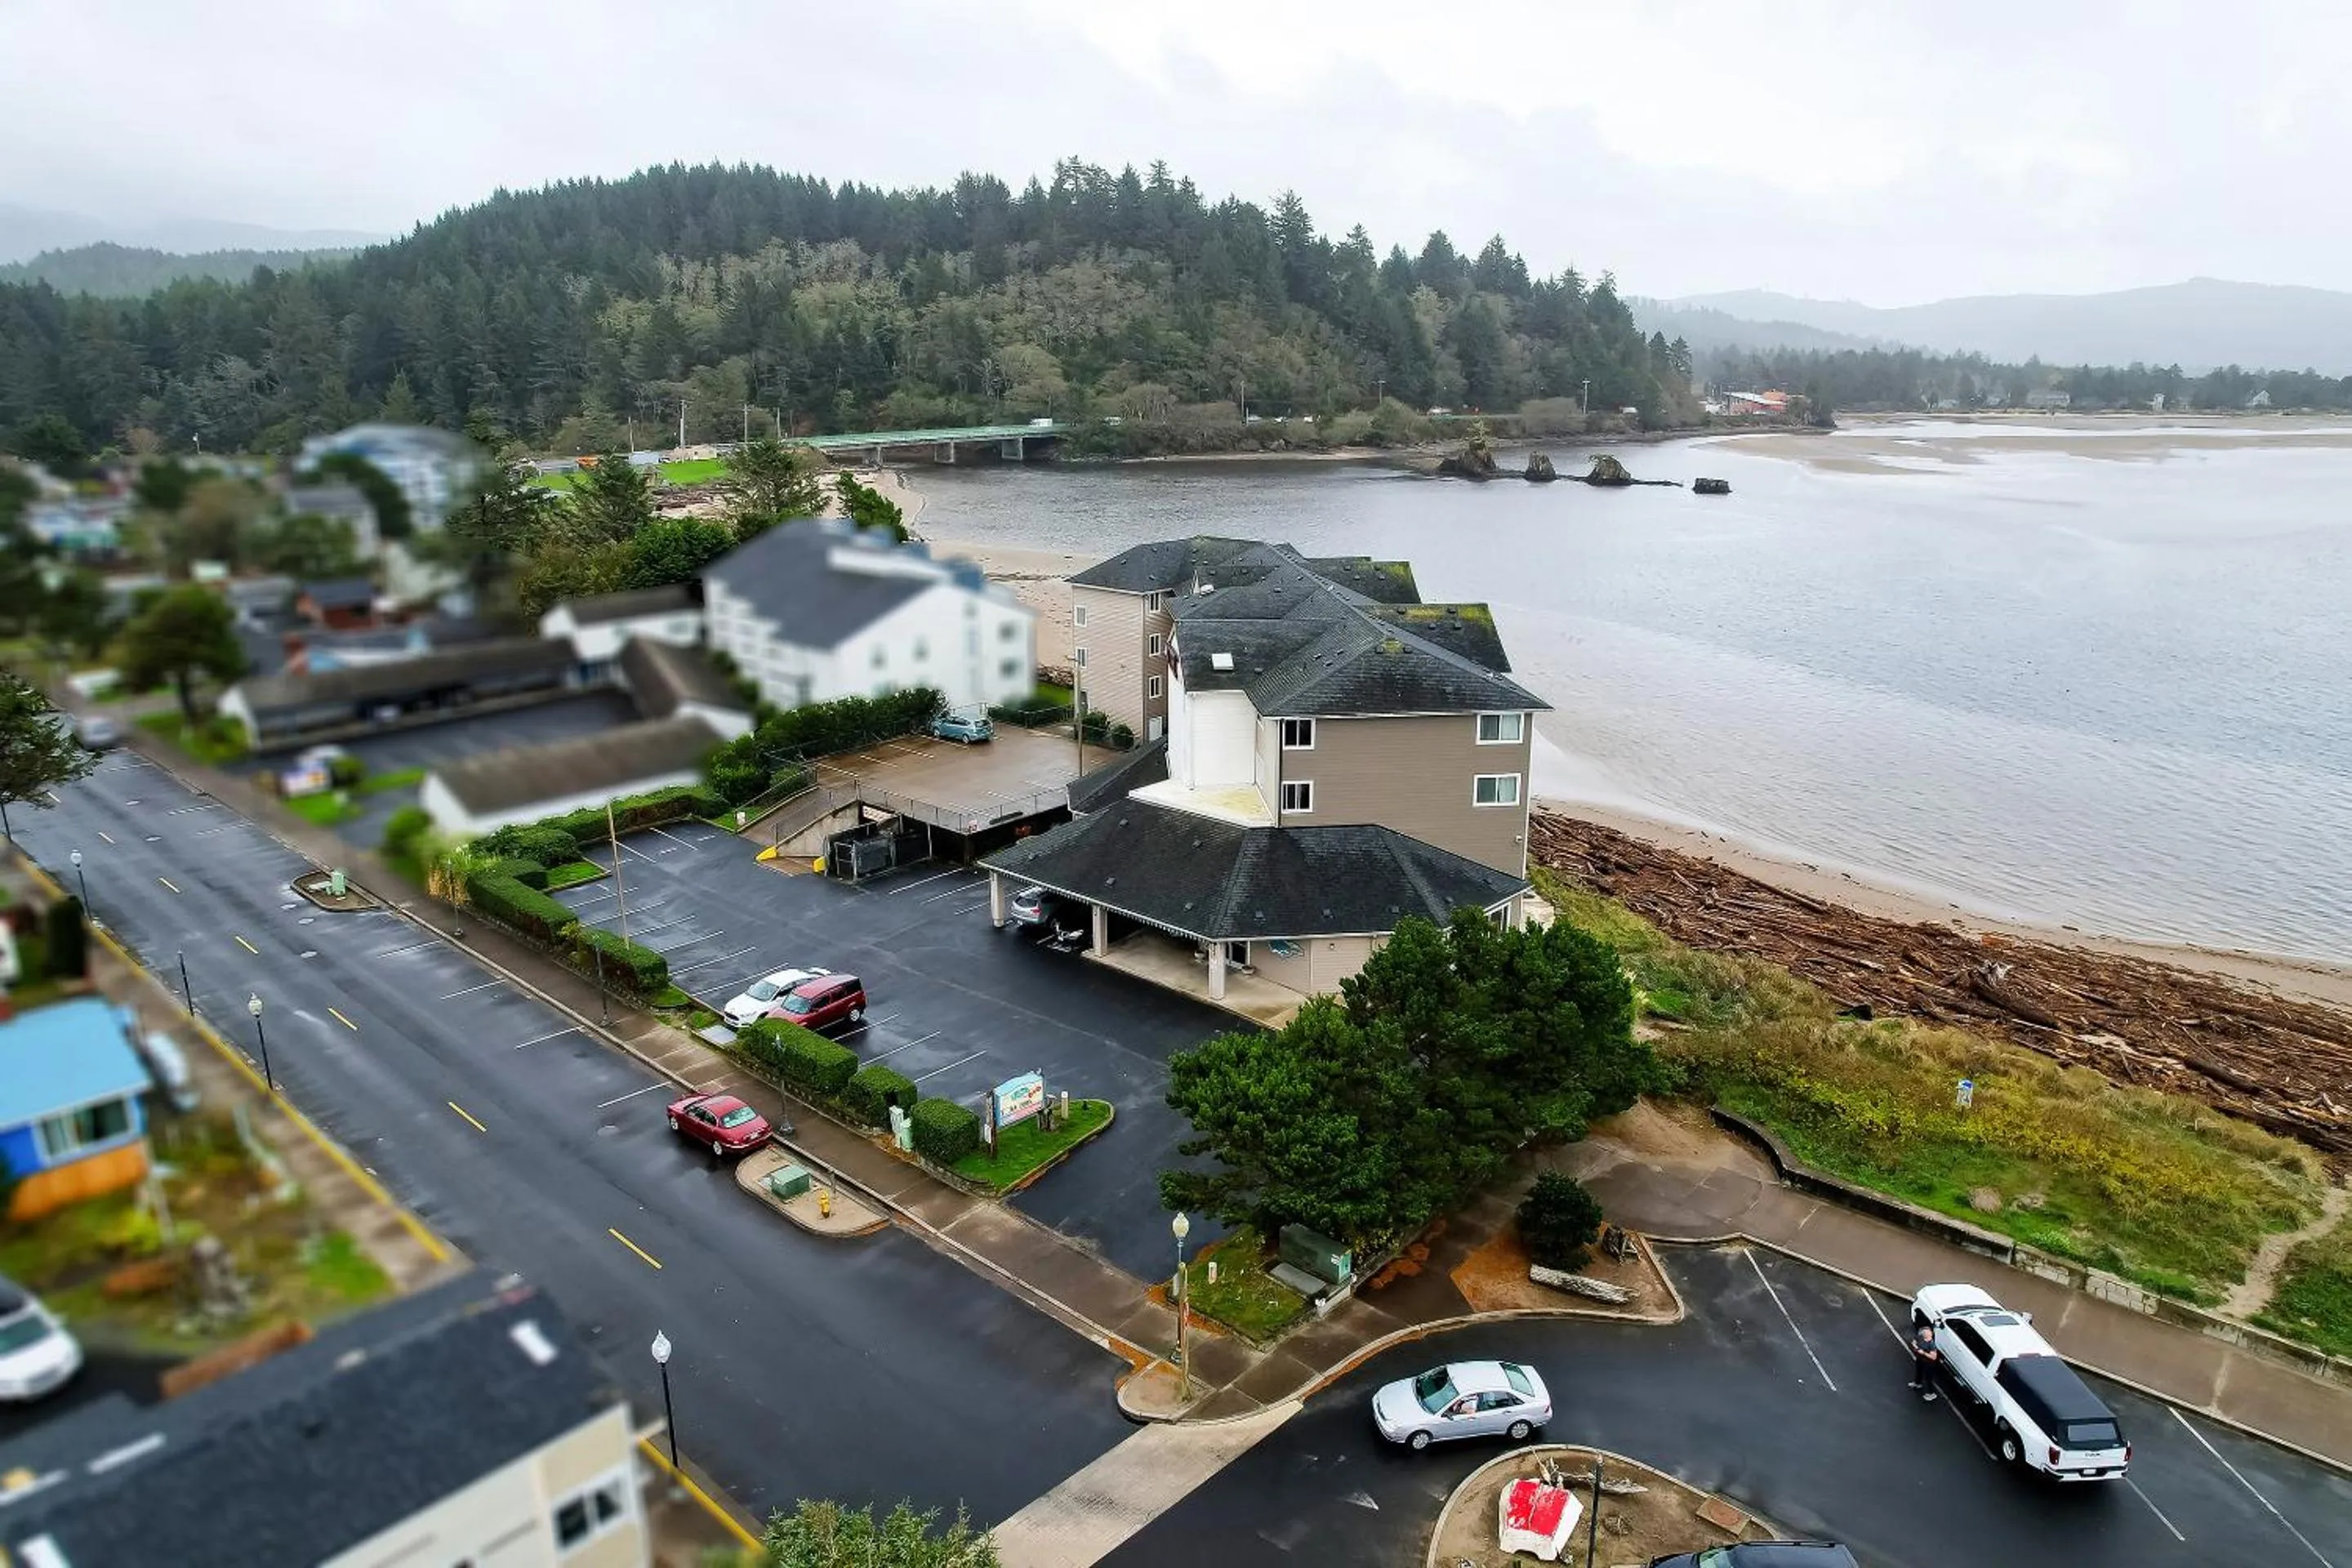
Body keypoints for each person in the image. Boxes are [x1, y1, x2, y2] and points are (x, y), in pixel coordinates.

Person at [1909, 1321, 1941, 1401]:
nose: (1921, 1334)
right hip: (1920, 1359)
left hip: (1929, 1363)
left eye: (1924, 1333)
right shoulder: (1920, 1337)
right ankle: (1918, 1383)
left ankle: (1932, 1394)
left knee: (1928, 1378)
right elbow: (1914, 1342)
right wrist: (1916, 1347)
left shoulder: (1931, 1345)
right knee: (1919, 1371)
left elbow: (1934, 1357)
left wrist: (1923, 1353)